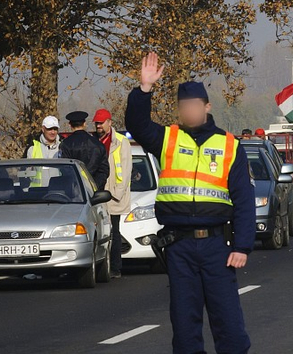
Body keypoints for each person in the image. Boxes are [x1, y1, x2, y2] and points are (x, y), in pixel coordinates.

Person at [125, 52, 255, 354]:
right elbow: (136, 123)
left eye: (195, 106)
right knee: (184, 328)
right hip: (179, 247)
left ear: (207, 107)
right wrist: (144, 89)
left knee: (230, 327)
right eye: (184, 107)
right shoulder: (168, 139)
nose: (189, 111)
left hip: (216, 248)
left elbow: (244, 201)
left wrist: (242, 246)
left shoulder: (229, 145)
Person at [94, 108, 132, 279]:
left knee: (114, 232)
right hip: (99, 194)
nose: (99, 126)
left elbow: (126, 169)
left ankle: (116, 268)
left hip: (114, 195)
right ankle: (101, 267)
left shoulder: (121, 142)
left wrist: (117, 193)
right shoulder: (95, 141)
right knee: (100, 233)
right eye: (97, 123)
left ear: (110, 122)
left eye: (101, 123)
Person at [60, 111, 110, 190]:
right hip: (95, 193)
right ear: (84, 124)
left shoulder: (66, 144)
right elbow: (104, 170)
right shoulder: (98, 144)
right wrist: (94, 187)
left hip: (74, 191)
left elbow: (65, 169)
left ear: (70, 125)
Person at [24, 115, 62, 187]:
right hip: (37, 193)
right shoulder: (33, 147)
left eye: (55, 129)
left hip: (59, 192)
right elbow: (24, 173)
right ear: (43, 129)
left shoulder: (63, 146)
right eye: (49, 129)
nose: (53, 132)